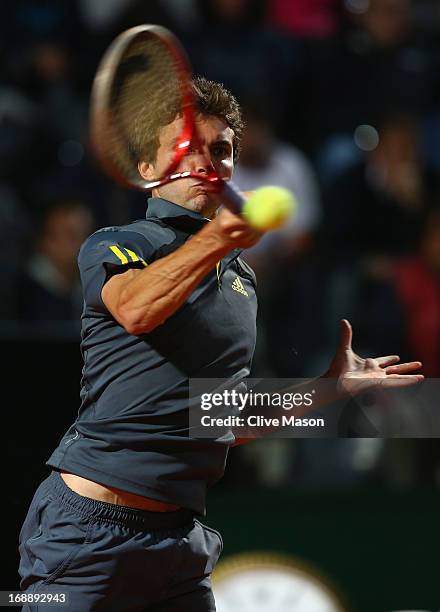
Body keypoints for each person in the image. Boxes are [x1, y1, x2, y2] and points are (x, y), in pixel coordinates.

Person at [18, 76, 423, 611]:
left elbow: (218, 415)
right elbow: (136, 310)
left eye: (222, 150)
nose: (208, 162)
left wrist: (328, 389)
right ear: (147, 169)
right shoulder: (117, 244)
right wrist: (218, 237)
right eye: (189, 148)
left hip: (181, 543)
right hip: (86, 534)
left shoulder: (241, 281)